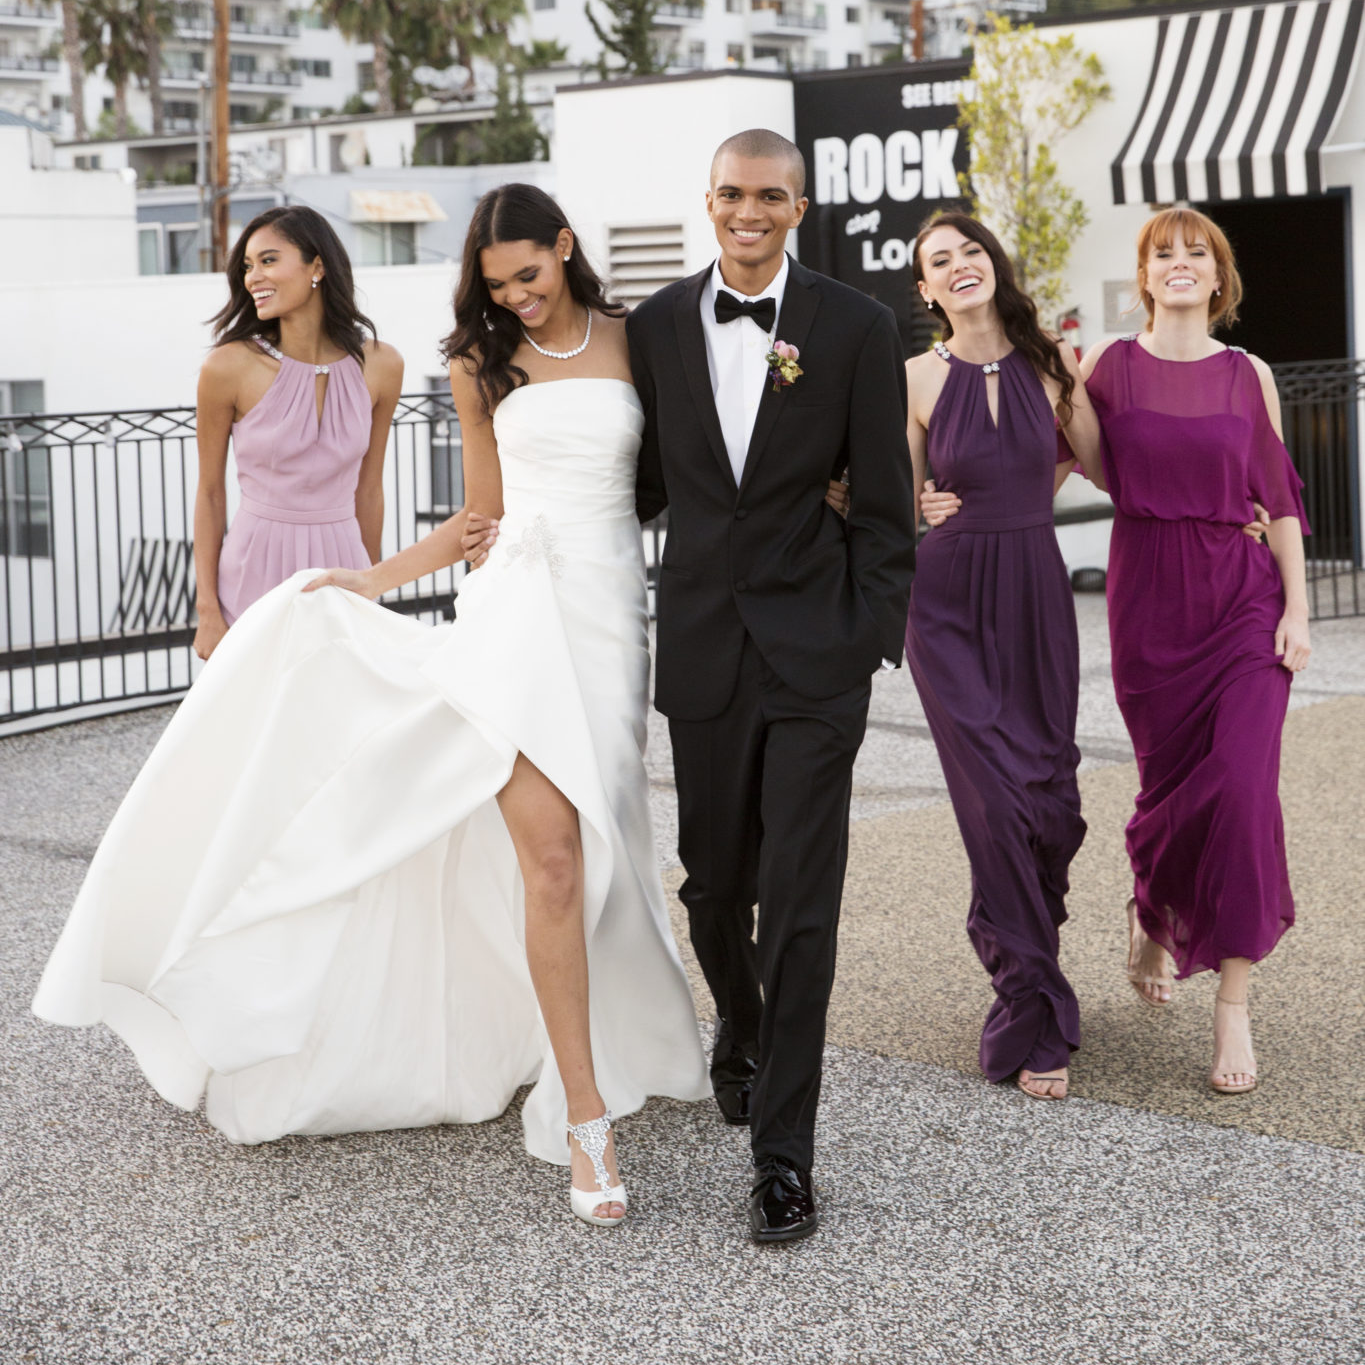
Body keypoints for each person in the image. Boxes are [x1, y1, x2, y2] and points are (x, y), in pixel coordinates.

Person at [34, 185, 709, 1224]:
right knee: (556, 857)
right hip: (516, 614)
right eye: (495, 285)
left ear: (565, 249)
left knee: (612, 843)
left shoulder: (640, 339)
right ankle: (584, 1115)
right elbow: (481, 515)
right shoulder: (478, 361)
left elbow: (694, 469)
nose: (517, 297)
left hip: (614, 621)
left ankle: (574, 1032)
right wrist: (367, 579)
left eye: (529, 274)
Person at [626, 130, 917, 1244]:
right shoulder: (652, 327)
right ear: (709, 201)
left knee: (800, 904)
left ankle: (784, 1156)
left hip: (814, 658)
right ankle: (736, 1022)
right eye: (734, 194)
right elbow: (638, 477)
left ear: (801, 205)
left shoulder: (857, 325)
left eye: (772, 196)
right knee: (712, 886)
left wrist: (865, 633)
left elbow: (886, 503)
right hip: (702, 644)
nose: (751, 212)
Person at [1081, 206, 1310, 1095]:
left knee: (1243, 794)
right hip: (1149, 604)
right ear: (1143, 276)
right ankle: (1153, 911)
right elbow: (1059, 458)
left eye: (1196, 254)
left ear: (1219, 279)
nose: (1179, 264)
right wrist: (931, 498)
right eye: (1162, 254)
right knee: (1167, 796)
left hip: (1242, 602)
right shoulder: (1105, 366)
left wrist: (1296, 610)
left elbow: (1280, 499)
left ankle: (1232, 1008)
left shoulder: (1248, 374)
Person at [904, 214, 1103, 1102]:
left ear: (993, 264)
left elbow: (1107, 466)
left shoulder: (1053, 365)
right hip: (943, 604)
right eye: (938, 262)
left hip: (1033, 592)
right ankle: (1034, 1009)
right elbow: (896, 497)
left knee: (1046, 801)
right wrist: (906, 501)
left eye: (969, 251)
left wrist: (1244, 518)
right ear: (925, 291)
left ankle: (1013, 935)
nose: (958, 267)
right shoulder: (909, 377)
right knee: (991, 799)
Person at [192, 205, 404, 659]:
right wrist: (207, 609)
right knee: (257, 720)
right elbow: (210, 493)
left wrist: (372, 585)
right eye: (247, 266)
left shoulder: (383, 365)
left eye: (268, 260)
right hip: (254, 570)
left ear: (318, 266)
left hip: (343, 567)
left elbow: (369, 490)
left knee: (343, 716)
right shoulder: (228, 367)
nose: (252, 277)